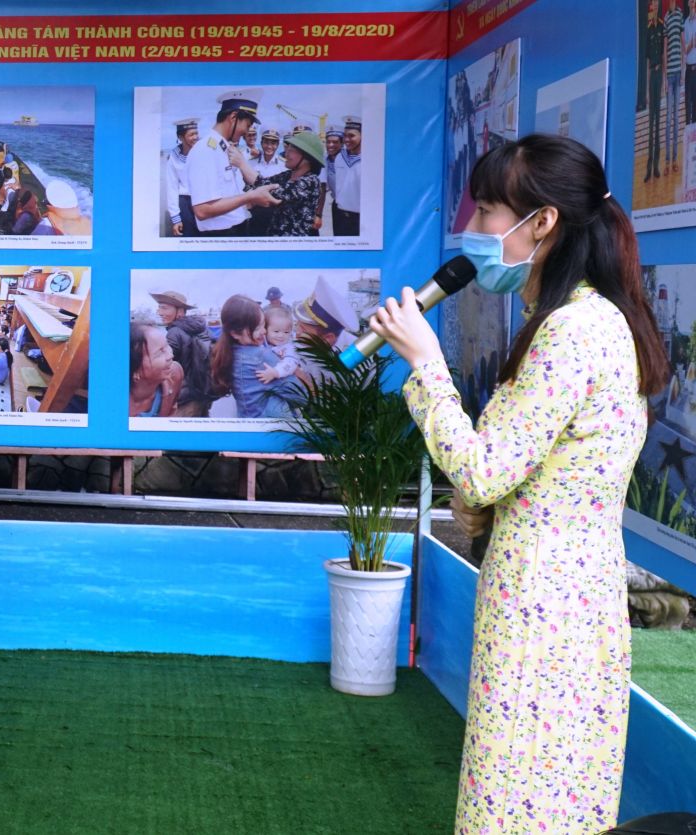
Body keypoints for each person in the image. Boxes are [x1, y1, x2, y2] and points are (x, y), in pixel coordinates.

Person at [366, 134, 667, 835]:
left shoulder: (573, 329)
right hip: (562, 596)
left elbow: (480, 468)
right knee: (549, 795)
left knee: (516, 801)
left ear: (543, 223)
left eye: (487, 212)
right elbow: (506, 474)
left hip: (545, 606)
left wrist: (426, 364)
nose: (470, 231)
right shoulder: (585, 319)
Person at [186, 89, 282, 236]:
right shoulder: (206, 150)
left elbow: (228, 193)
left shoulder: (223, 148)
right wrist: (250, 196)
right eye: (248, 125)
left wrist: (250, 199)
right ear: (233, 117)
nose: (247, 132)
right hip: (220, 235)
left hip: (236, 229)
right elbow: (202, 210)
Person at [208, 294, 306, 418]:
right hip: (272, 430)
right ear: (235, 333)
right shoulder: (261, 357)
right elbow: (301, 397)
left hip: (248, 424)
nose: (264, 332)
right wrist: (297, 372)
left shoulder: (230, 352)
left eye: (263, 325)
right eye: (256, 328)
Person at [150, 290, 215, 417]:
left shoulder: (174, 332)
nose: (160, 313)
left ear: (180, 311)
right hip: (202, 394)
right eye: (159, 308)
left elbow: (164, 365)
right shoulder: (201, 328)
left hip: (184, 399)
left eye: (165, 308)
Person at [252, 130, 327, 237]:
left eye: (291, 150)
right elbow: (262, 182)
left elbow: (275, 195)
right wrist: (241, 164)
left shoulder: (310, 181)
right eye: (287, 149)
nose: (286, 153)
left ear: (306, 157)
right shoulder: (287, 175)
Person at [128, 321, 182, 418]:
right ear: (135, 369)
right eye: (160, 352)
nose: (170, 355)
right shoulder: (109, 398)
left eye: (167, 345)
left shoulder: (175, 374)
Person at [330, 117, 363, 236]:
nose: (347, 140)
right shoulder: (340, 157)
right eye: (345, 136)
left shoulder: (370, 159)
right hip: (340, 214)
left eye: (351, 135)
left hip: (359, 217)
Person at [647, 2, 667, 182]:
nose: (652, 11)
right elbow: (647, 62)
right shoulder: (649, 30)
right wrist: (646, 91)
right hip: (651, 74)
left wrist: (664, 82)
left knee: (658, 123)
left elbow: (663, 55)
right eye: (651, 9)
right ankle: (648, 168)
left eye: (654, 8)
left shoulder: (661, 26)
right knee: (651, 125)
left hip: (659, 74)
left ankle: (656, 167)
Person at [666, 0, 686, 173]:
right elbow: (665, 48)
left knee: (677, 118)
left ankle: (675, 160)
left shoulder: (679, 15)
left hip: (678, 72)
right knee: (668, 120)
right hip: (669, 74)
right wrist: (665, 77)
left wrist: (684, 70)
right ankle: (667, 162)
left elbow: (682, 40)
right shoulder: (666, 17)